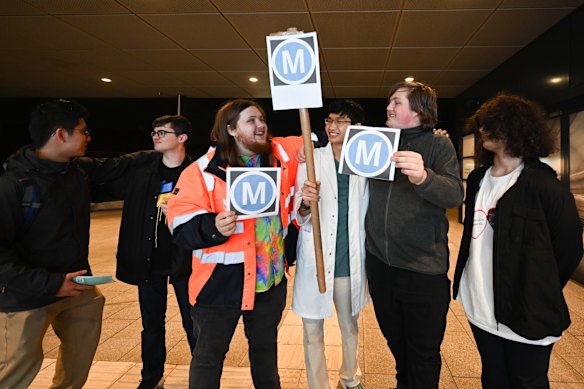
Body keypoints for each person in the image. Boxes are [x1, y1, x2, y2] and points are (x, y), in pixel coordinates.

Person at [0, 99, 147, 388]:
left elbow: (120, 167)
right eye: (83, 131)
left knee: (77, 365)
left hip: (78, 285)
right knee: (16, 368)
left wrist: (163, 154)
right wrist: (52, 284)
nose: (88, 137)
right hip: (26, 294)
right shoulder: (13, 185)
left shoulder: (76, 170)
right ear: (60, 134)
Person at [166, 99, 303, 389]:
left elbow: (317, 139)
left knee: (266, 353)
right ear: (231, 129)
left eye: (262, 118)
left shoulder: (279, 155)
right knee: (208, 356)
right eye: (251, 120)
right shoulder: (201, 172)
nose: (261, 125)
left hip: (270, 282)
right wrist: (212, 226)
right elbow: (179, 226)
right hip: (219, 286)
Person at [453, 93, 583, 389]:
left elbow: (569, 248)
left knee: (527, 381)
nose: (483, 130)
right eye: (482, 124)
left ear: (516, 128)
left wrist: (537, 286)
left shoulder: (543, 185)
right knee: (493, 376)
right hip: (481, 303)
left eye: (492, 125)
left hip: (526, 310)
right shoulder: (478, 178)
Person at [365, 81, 464, 389]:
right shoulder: (379, 142)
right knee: (397, 345)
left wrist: (424, 177)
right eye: (389, 101)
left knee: (423, 353)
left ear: (419, 111)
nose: (389, 107)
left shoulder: (438, 145)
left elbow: (455, 194)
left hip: (422, 271)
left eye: (397, 102)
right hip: (381, 266)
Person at [93, 115, 196, 389]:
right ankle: (151, 378)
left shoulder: (198, 173)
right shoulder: (142, 171)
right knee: (151, 325)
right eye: (154, 132)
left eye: (163, 132)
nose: (156, 136)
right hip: (149, 262)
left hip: (186, 262)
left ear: (182, 138)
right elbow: (103, 177)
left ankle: (203, 378)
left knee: (194, 324)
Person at [293, 99, 369, 389]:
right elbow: (298, 214)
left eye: (340, 120)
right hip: (316, 260)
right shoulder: (312, 159)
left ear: (356, 127)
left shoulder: (365, 161)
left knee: (349, 328)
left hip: (349, 262)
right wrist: (305, 204)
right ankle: (318, 385)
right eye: (328, 120)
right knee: (312, 330)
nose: (332, 126)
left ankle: (350, 379)